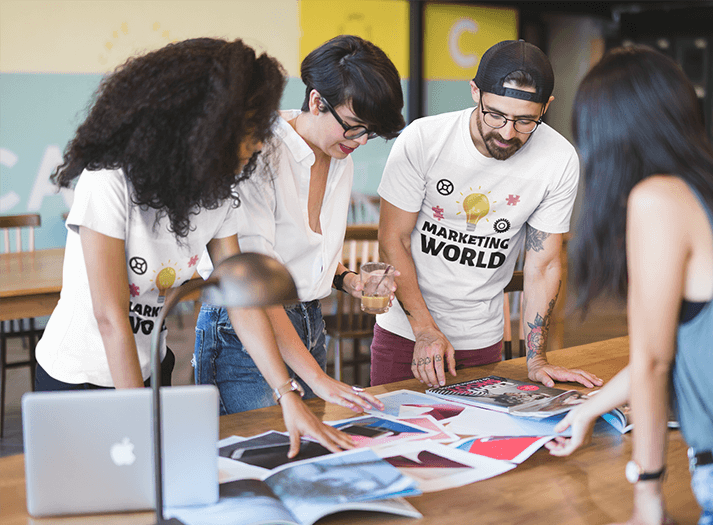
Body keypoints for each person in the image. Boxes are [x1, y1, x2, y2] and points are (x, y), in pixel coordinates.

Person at [36, 38, 356, 456]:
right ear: (207, 125)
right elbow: (110, 316)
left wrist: (287, 394)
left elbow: (242, 303)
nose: (260, 143)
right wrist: (140, 424)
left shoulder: (217, 194)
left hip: (150, 367)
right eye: (251, 129)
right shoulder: (108, 180)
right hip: (77, 380)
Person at [544, 45, 713, 525]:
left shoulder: (656, 199)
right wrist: (589, 410)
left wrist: (647, 501)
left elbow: (654, 364)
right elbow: (672, 349)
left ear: (607, 134)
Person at [371, 39, 603, 390]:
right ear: (475, 92)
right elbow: (393, 240)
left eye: (526, 121)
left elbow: (543, 265)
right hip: (406, 333)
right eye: (495, 114)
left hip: (482, 339)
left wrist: (536, 357)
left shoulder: (559, 159)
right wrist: (424, 330)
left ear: (547, 107)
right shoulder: (424, 139)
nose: (507, 133)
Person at [194, 35, 405, 414]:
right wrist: (318, 379)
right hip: (243, 327)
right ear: (316, 101)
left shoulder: (339, 154)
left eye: (368, 132)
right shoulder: (259, 153)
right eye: (354, 126)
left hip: (308, 319)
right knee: (255, 454)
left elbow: (306, 253)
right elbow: (255, 286)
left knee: (303, 454)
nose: (360, 141)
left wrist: (350, 281)